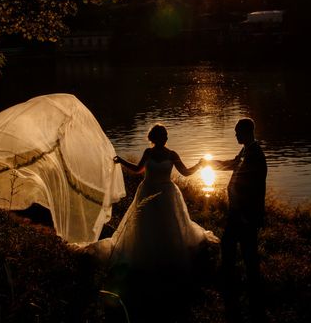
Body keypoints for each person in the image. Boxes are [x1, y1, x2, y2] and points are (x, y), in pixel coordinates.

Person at [88, 124, 219, 321]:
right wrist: (120, 160)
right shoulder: (148, 152)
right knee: (146, 227)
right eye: (161, 135)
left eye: (165, 135)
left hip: (167, 194)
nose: (164, 138)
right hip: (148, 191)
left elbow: (185, 172)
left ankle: (166, 257)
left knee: (167, 227)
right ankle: (149, 259)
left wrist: (201, 165)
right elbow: (137, 169)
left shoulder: (172, 154)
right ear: (154, 137)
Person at [204, 117, 267, 321]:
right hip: (238, 212)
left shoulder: (255, 154)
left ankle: (248, 290)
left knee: (245, 250)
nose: (235, 135)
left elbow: (252, 187)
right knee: (231, 245)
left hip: (245, 213)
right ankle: (235, 283)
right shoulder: (246, 151)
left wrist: (243, 212)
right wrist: (210, 163)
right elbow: (232, 165)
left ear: (247, 132)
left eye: (237, 132)